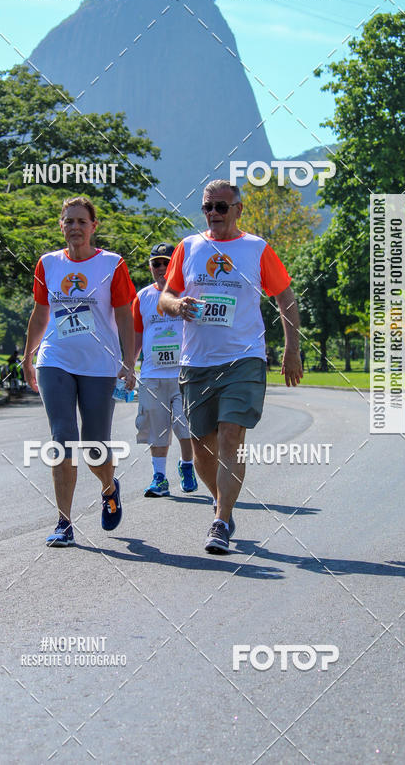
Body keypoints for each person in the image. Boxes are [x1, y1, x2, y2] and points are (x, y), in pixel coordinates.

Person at [160, 179, 303, 554]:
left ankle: (221, 520)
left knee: (230, 436)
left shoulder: (256, 249)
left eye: (221, 207)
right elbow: (166, 296)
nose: (213, 214)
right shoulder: (188, 247)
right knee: (203, 447)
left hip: (244, 357)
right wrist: (176, 306)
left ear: (238, 209)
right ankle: (222, 500)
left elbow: (285, 297)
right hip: (197, 361)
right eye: (208, 207)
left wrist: (292, 348)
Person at [23, 196, 136, 547]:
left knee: (95, 446)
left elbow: (123, 316)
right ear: (61, 226)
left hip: (99, 365)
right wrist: (29, 356)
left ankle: (108, 487)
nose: (74, 227)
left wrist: (128, 362)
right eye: (68, 221)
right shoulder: (48, 264)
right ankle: (64, 522)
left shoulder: (112, 264)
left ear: (93, 226)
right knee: (63, 439)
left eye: (81, 221)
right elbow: (41, 313)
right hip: (55, 359)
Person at [132, 242, 196, 497]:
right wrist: (127, 366)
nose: (161, 267)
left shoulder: (188, 293)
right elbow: (136, 335)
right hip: (152, 375)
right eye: (155, 263)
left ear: (176, 265)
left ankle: (187, 466)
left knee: (185, 427)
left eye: (166, 262)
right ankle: (159, 478)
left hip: (183, 374)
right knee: (156, 430)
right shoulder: (142, 297)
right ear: (150, 267)